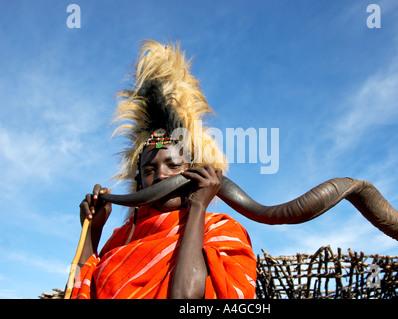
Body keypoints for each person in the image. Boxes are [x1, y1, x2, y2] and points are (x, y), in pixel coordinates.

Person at [69, 40, 257, 299]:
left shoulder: (221, 232)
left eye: (173, 165)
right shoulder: (123, 238)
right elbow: (79, 289)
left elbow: (187, 300)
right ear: (139, 182)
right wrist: (93, 230)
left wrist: (198, 207)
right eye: (149, 169)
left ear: (193, 172)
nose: (160, 175)